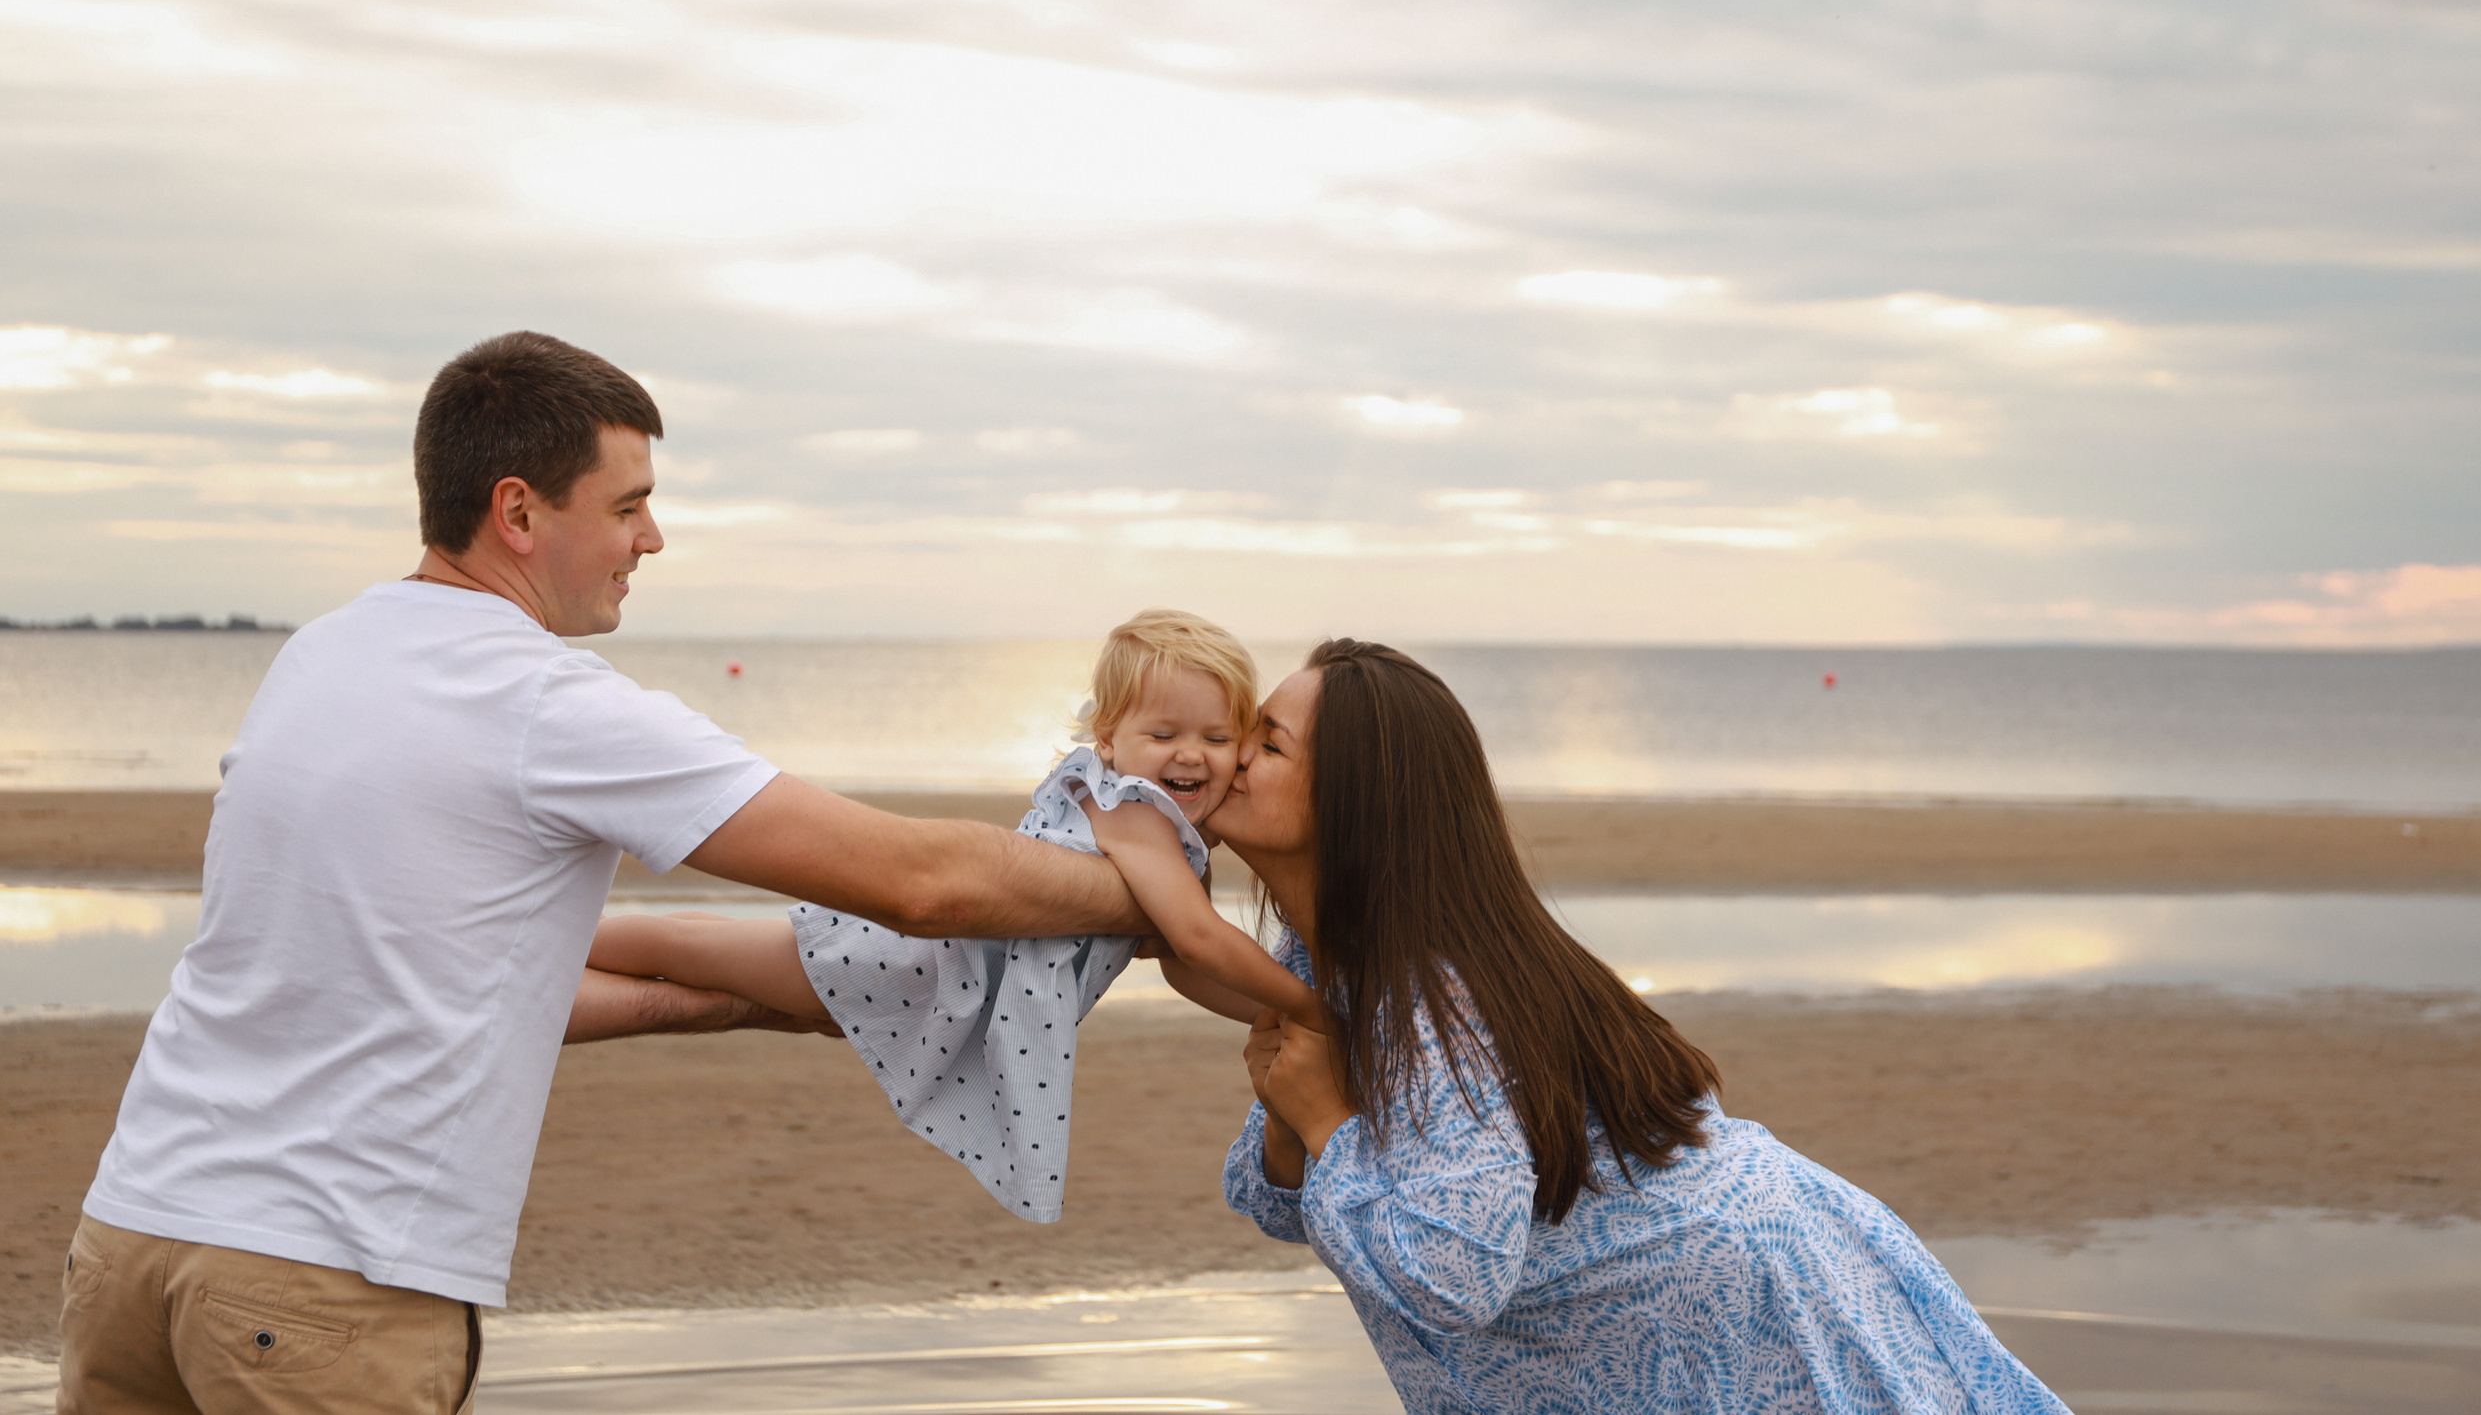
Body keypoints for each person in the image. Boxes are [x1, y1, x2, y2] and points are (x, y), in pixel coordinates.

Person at [57, 331, 1161, 1415]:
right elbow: (917, 882)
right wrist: (1149, 895)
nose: (655, 538)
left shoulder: (323, 654)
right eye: (628, 505)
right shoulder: (542, 702)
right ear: (519, 513)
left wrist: (750, 1003)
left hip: (132, 1244)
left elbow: (408, 982)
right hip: (323, 1286)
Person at [1211, 640, 2073, 1415]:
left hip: (1751, 1303)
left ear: (1357, 799)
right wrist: (1296, 1123)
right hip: (1697, 1302)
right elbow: (1280, 1203)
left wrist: (1326, 1120)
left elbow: (1452, 1273)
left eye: (1269, 741)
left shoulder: (1437, 997)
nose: (1234, 754)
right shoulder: (1328, 959)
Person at [585, 610, 1325, 1217]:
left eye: (1217, 738)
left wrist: (1272, 1011)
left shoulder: (1168, 830)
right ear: (1108, 741)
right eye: (1163, 736)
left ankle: (562, 952)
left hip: (933, 965)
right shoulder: (1134, 810)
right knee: (687, 950)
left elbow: (1179, 960)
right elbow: (1196, 933)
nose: (1189, 755)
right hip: (918, 961)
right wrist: (1314, 1008)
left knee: (712, 949)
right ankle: (557, 945)